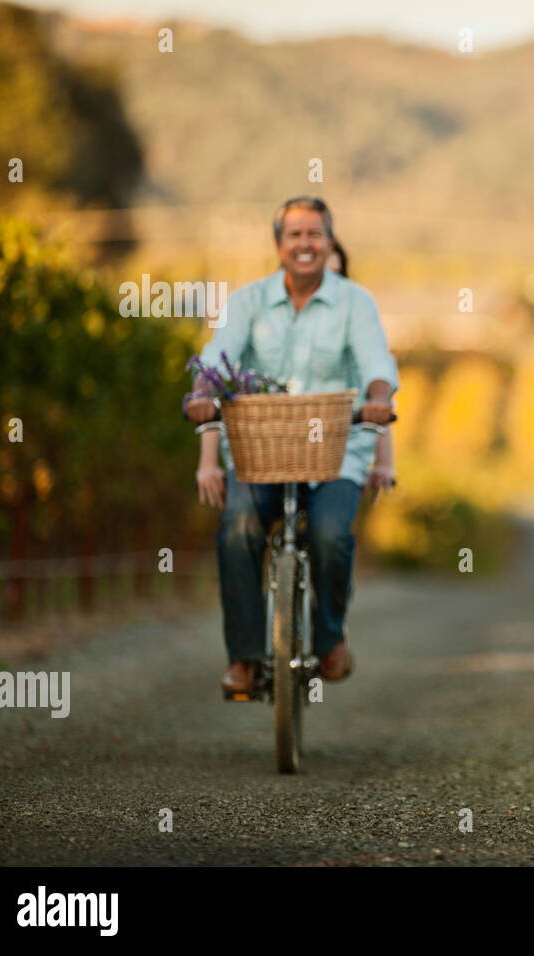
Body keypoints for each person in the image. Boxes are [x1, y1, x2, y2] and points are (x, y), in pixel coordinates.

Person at [186, 196, 399, 695]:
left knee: (330, 534)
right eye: (294, 235)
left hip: (336, 453)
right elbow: (217, 357)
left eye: (315, 234)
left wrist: (378, 398)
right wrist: (201, 394)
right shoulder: (247, 302)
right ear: (278, 244)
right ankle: (243, 657)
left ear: (329, 241)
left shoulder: (355, 302)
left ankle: (329, 640)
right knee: (237, 528)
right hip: (260, 450)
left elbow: (378, 366)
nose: (305, 244)